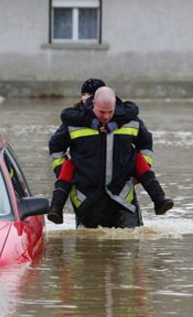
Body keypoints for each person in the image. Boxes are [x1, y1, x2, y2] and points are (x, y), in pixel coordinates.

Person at [48, 79, 173, 224]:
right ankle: (56, 208)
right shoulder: (73, 122)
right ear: (93, 103)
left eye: (109, 112)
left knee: (131, 242)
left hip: (123, 197)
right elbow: (56, 146)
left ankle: (159, 199)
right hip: (87, 199)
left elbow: (145, 142)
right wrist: (62, 170)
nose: (106, 116)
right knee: (87, 244)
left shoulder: (129, 119)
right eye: (102, 112)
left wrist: (141, 170)